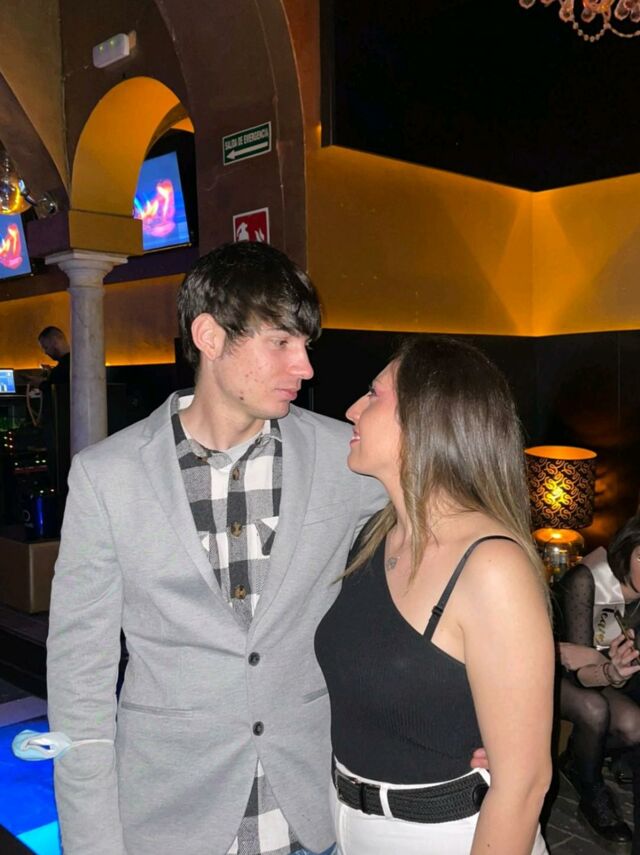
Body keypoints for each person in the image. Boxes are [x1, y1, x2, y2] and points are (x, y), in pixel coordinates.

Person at [45, 241, 389, 855]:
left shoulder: (348, 458)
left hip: (313, 811)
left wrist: (478, 711)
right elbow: (79, 678)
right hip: (172, 817)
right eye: (281, 342)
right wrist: (92, 844)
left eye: (305, 344)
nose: (305, 367)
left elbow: (454, 539)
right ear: (209, 336)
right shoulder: (107, 475)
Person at [315, 335, 555, 855]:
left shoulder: (491, 566)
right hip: (348, 822)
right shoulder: (376, 535)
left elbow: (523, 785)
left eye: (374, 394)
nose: (353, 409)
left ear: (427, 419)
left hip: (448, 834)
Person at [557, 513, 640, 852]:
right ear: (626, 550)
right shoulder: (587, 579)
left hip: (597, 670)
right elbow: (576, 673)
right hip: (549, 668)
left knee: (634, 725)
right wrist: (606, 667)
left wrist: (605, 665)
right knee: (593, 709)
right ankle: (591, 791)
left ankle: (576, 759)